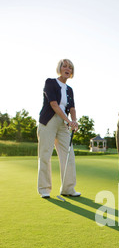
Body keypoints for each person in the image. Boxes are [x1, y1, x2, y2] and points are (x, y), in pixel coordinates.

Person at [37, 59, 80, 198]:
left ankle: (68, 189)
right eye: (65, 66)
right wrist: (68, 120)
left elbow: (72, 107)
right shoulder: (50, 82)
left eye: (70, 67)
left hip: (63, 124)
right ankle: (44, 189)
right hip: (48, 121)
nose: (67, 69)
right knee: (45, 154)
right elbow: (54, 105)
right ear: (59, 68)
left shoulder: (70, 90)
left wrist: (74, 121)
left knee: (68, 155)